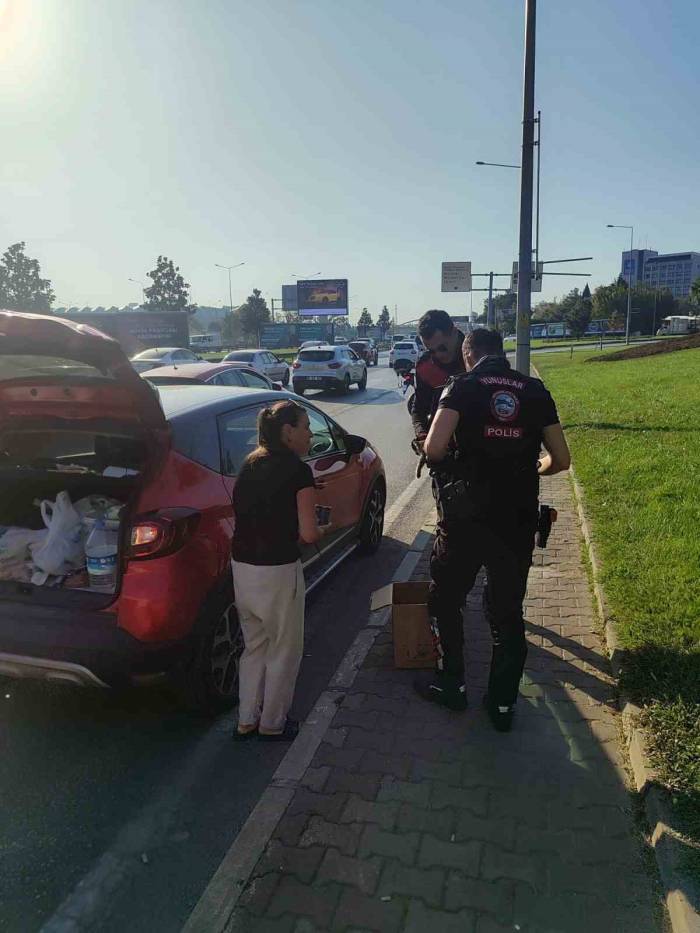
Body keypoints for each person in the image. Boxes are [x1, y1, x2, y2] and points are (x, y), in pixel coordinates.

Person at [415, 328, 571, 731]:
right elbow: (561, 459)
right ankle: (502, 705)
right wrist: (531, 469)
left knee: (446, 600)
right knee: (506, 613)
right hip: (516, 519)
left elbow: (433, 449)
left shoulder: (462, 387)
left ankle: (452, 686)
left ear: (469, 355)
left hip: (465, 519)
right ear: (501, 352)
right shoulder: (534, 390)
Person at [231, 400, 330, 741]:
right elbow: (308, 534)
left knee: (254, 645)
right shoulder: (298, 471)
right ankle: (273, 723)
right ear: (288, 432)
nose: (309, 433)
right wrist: (326, 527)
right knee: (284, 648)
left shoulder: (249, 463)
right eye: (305, 426)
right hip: (278, 569)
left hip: (242, 568)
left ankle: (246, 719)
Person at [411, 309, 466, 448]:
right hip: (442, 444)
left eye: (442, 348)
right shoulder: (425, 366)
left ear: (454, 332)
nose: (438, 355)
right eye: (431, 350)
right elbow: (418, 408)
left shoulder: (478, 354)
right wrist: (422, 434)